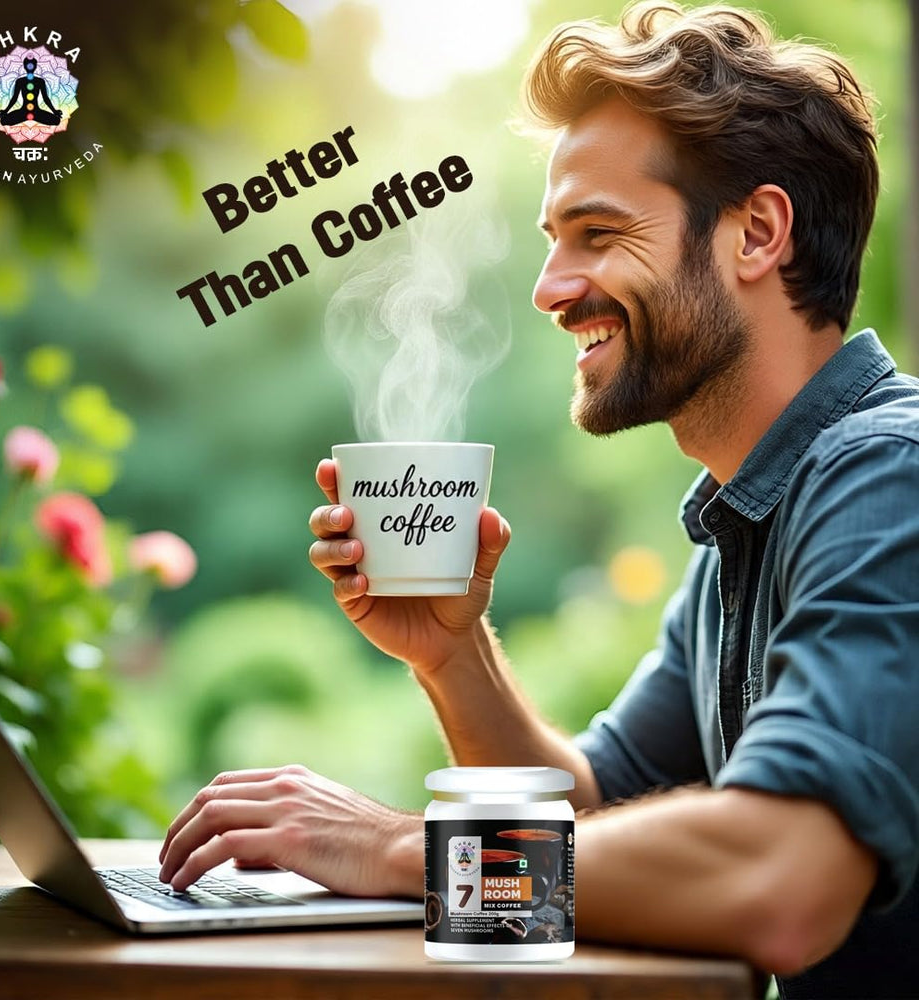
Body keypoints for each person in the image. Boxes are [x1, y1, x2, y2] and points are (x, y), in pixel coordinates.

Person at [159, 3, 918, 995]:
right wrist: (450, 651)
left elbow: (781, 878)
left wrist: (403, 848)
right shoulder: (747, 524)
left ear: (757, 233)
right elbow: (594, 809)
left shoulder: (886, 480)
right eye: (552, 240)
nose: (550, 288)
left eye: (597, 234)